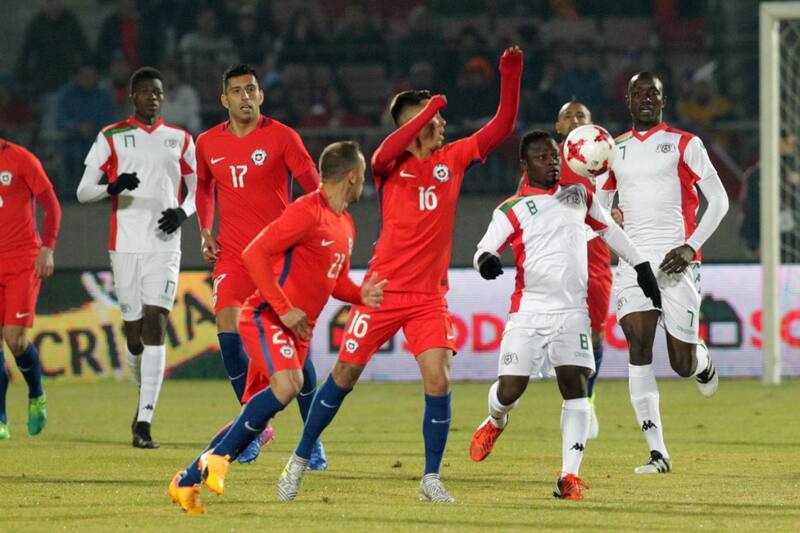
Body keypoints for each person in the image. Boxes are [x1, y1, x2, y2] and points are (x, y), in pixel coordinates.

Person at [276, 46, 523, 504]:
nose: (441, 123)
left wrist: (511, 75)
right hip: (381, 294)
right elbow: (388, 148)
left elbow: (502, 126)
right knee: (345, 375)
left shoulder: (453, 158)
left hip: (429, 297)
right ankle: (299, 459)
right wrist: (427, 108)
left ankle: (431, 477)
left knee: (439, 378)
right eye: (432, 118)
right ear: (415, 123)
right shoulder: (390, 165)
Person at [168, 141, 385, 514]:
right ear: (352, 176)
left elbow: (335, 282)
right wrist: (284, 310)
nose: (364, 182)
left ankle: (187, 480)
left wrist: (362, 294)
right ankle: (218, 458)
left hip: (296, 330)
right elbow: (254, 252)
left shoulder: (345, 224)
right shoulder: (306, 211)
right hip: (266, 316)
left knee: (258, 411)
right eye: (362, 175)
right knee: (291, 385)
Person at [468, 130, 660, 500]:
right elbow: (484, 249)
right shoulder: (512, 208)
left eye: (555, 156)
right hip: (530, 312)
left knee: (576, 389)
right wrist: (486, 262)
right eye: (542, 157)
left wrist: (641, 265)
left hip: (573, 312)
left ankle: (568, 476)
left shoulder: (579, 196)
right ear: (525, 165)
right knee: (510, 390)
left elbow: (610, 230)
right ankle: (495, 420)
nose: (552, 162)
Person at [194, 64, 325, 466]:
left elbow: (315, 189)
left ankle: (310, 439)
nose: (245, 97)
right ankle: (253, 429)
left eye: (251, 89)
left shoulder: (283, 137)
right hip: (233, 254)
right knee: (228, 331)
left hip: (279, 257)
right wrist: (204, 230)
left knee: (294, 351)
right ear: (224, 100)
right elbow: (203, 187)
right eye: (237, 91)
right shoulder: (206, 142)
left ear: (261, 95)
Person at [598, 72, 729, 474]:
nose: (645, 99)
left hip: (678, 263)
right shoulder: (612, 150)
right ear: (627, 100)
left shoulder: (686, 144)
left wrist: (690, 246)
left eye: (652, 93)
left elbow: (720, 200)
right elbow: (599, 210)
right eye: (638, 93)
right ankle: (658, 453)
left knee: (680, 363)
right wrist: (613, 220)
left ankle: (701, 360)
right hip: (633, 263)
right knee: (638, 346)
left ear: (663, 99)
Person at [76, 67, 197, 449]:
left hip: (165, 245)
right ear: (132, 97)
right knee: (134, 336)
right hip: (125, 245)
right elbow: (82, 191)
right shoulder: (111, 136)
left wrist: (182, 212)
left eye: (158, 92)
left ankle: (143, 421)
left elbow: (199, 190)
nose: (153, 98)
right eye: (145, 92)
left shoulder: (180, 139)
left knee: (155, 324)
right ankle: (141, 385)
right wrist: (111, 187)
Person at [552, 100, 612, 439]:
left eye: (581, 116)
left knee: (596, 334)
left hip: (596, 255)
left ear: (591, 124)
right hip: (558, 256)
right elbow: (524, 196)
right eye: (567, 116)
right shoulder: (547, 159)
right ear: (559, 127)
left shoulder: (606, 158)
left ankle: (587, 400)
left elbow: (622, 197)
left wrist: (619, 214)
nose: (574, 120)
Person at [0, 140, 62, 440]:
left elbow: (51, 205)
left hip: (22, 261)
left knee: (15, 340)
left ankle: (36, 393)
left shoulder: (21, 158)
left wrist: (47, 248)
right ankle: (0, 418)